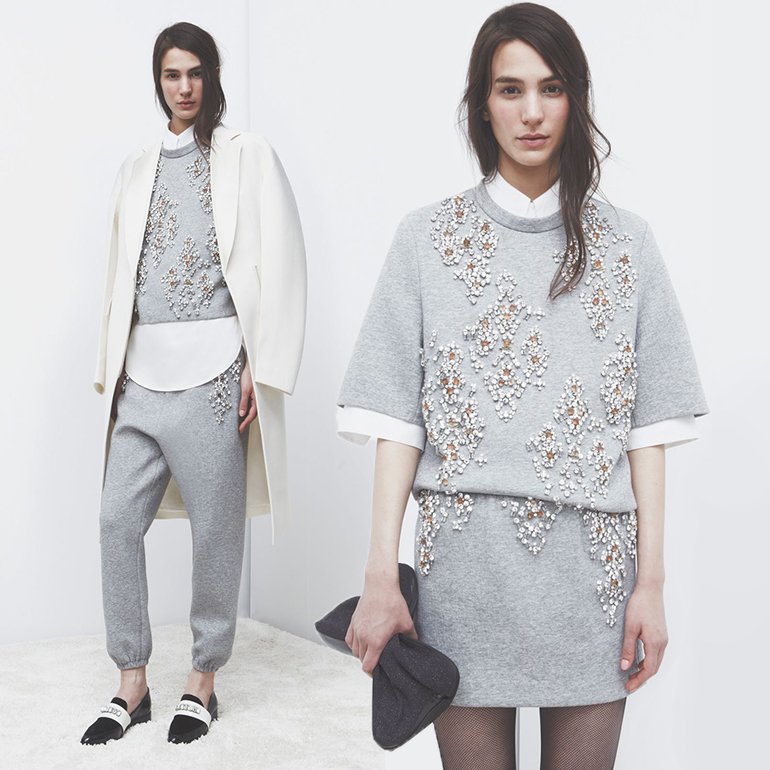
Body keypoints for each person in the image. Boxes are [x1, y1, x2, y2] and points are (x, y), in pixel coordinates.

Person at [336, 3, 707, 767]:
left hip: (592, 585)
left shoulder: (629, 244)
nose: (532, 112)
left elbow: (649, 432)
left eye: (551, 87)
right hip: (464, 579)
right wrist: (379, 577)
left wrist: (652, 584)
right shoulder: (425, 239)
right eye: (510, 89)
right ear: (482, 104)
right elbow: (397, 425)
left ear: (576, 100)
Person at [81, 22, 306, 746]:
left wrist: (260, 365)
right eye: (171, 74)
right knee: (116, 521)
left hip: (214, 372)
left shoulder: (247, 156)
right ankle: (132, 682)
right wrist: (112, 367)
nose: (183, 87)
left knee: (216, 530)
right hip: (141, 376)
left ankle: (203, 681)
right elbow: (120, 274)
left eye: (195, 73)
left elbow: (283, 260)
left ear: (212, 76)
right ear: (159, 81)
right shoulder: (136, 167)